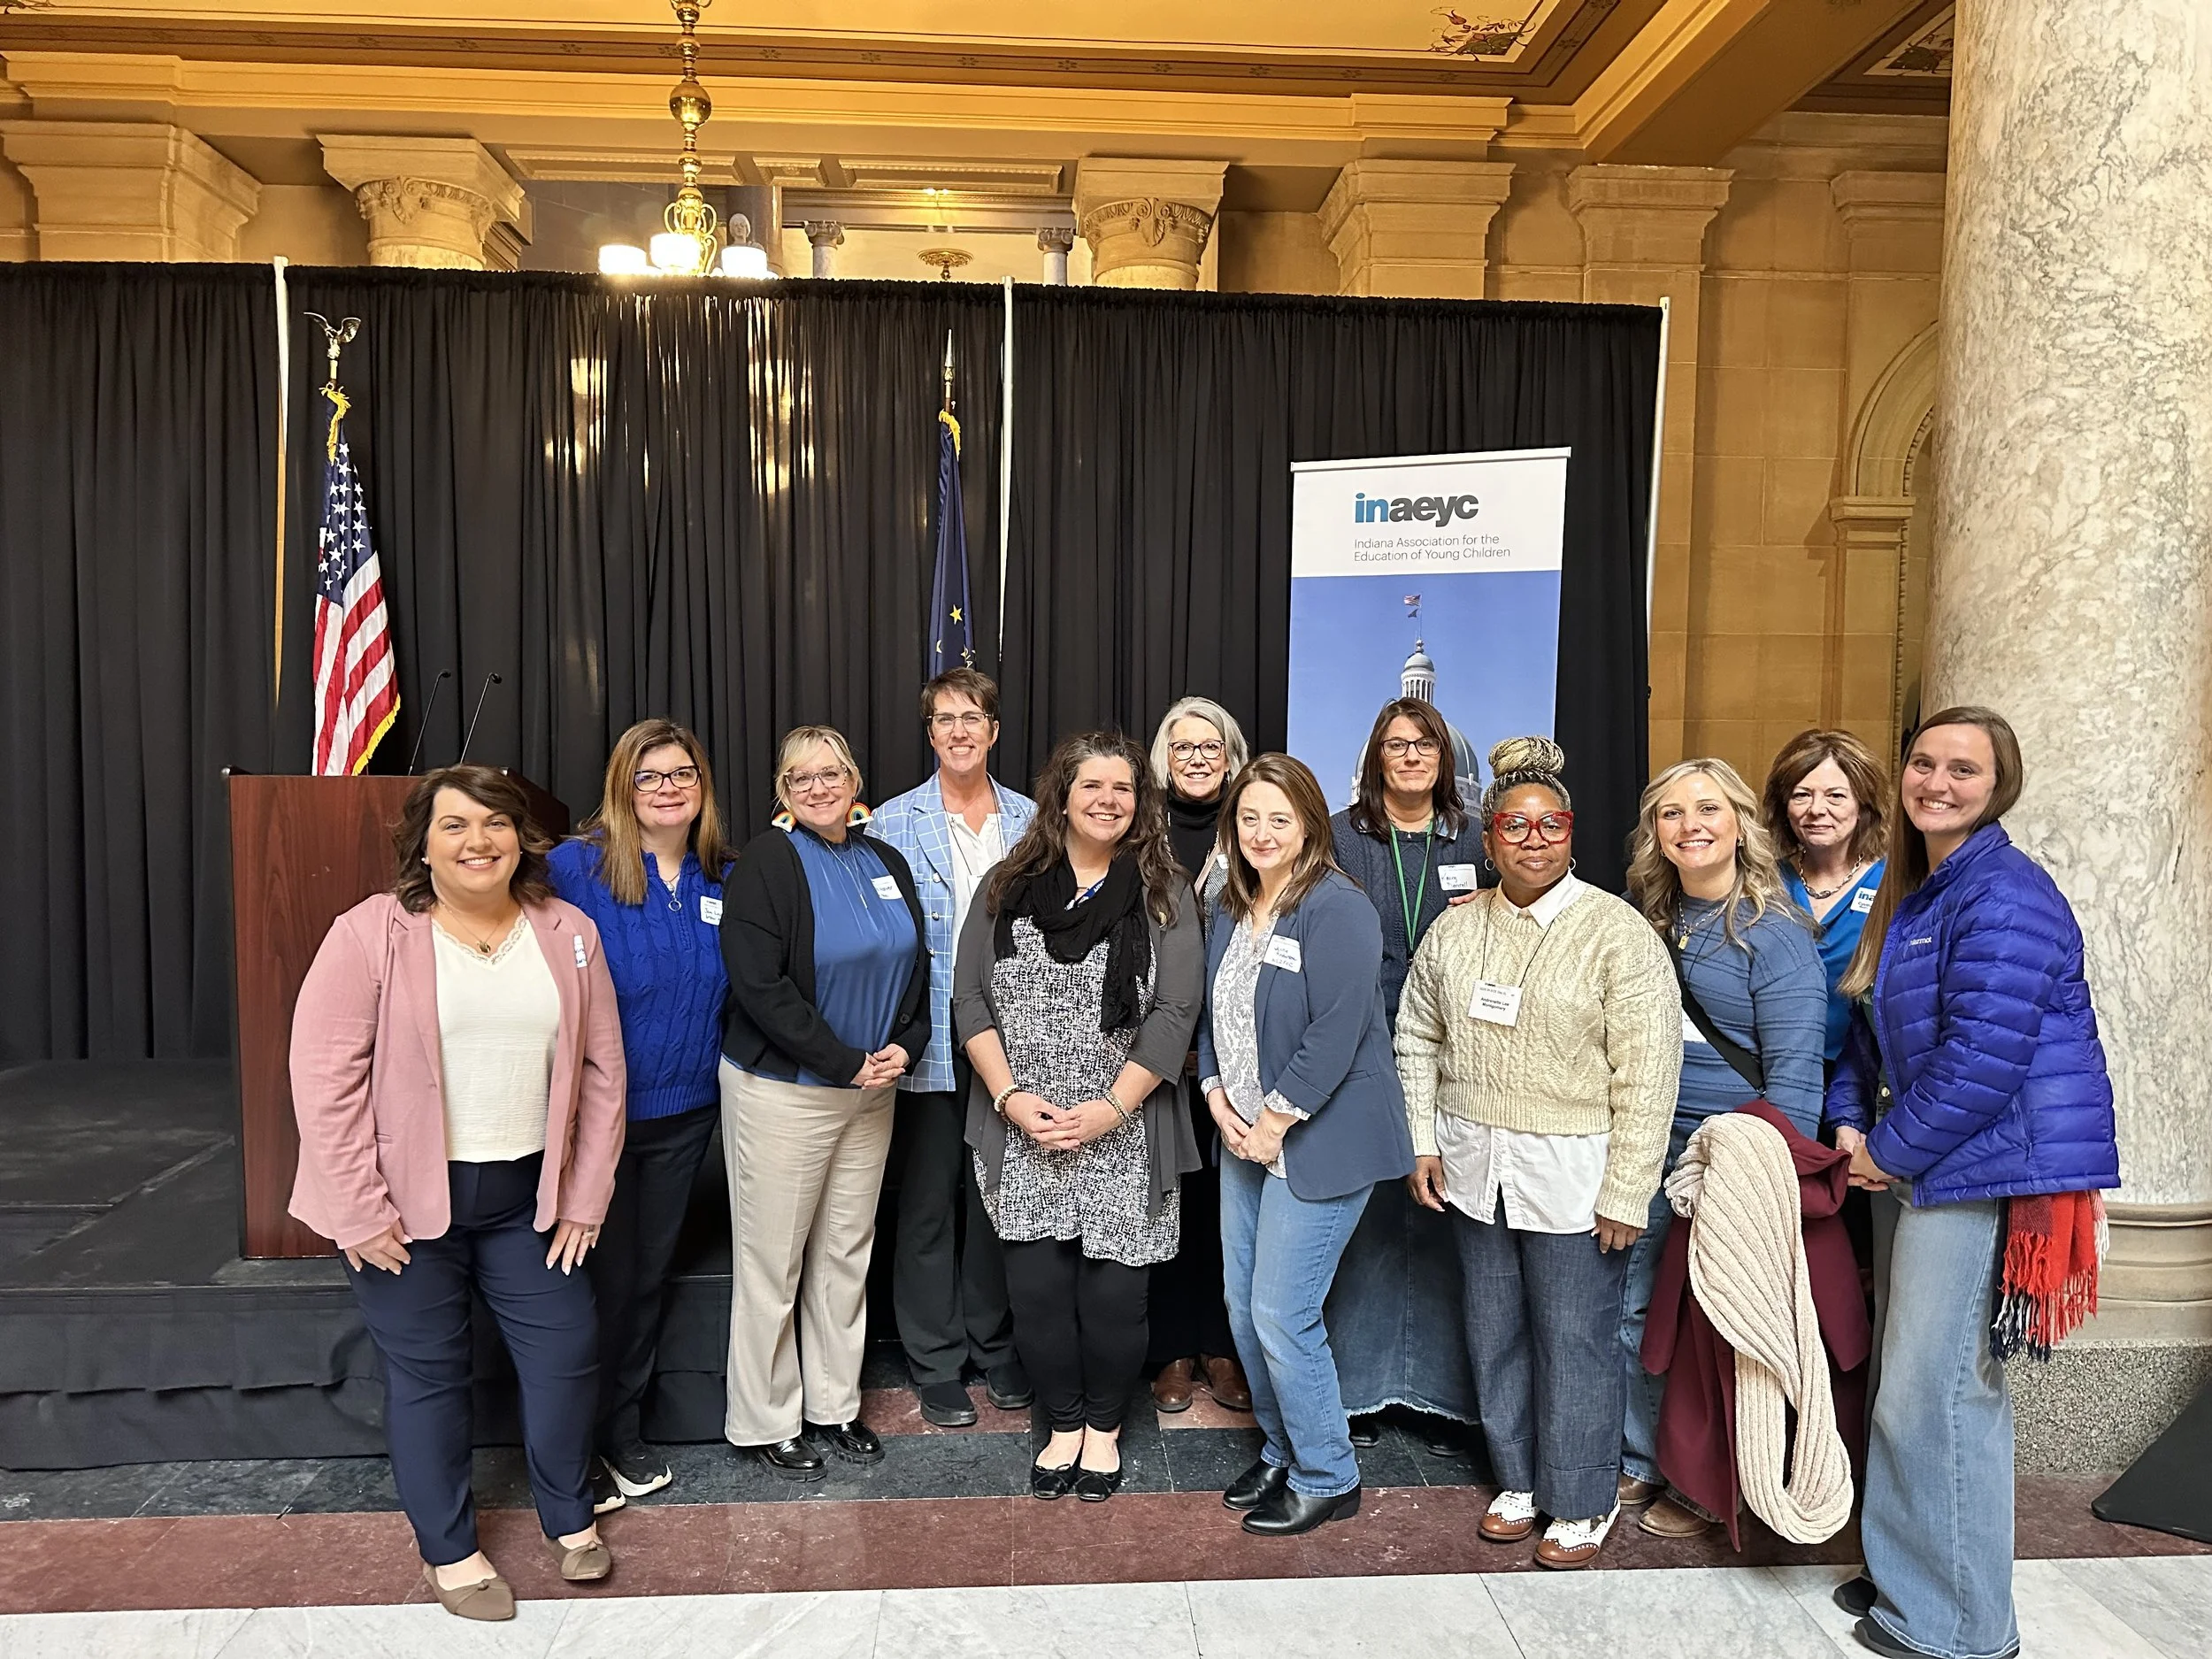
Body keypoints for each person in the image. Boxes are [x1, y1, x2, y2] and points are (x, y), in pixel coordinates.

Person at [289, 766, 626, 1621]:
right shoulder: (371, 932)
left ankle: (567, 1514)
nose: (479, 841)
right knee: (429, 1378)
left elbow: (602, 1073)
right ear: (423, 844)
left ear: (522, 837)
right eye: (455, 825)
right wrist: (360, 1208)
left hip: (528, 1200)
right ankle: (450, 1549)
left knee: (565, 1352)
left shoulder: (569, 930)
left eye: (495, 823)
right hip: (401, 1207)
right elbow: (322, 1081)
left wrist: (586, 1195)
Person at [1826, 707, 2118, 1659]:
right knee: (1907, 1389)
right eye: (1923, 762)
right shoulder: (1921, 892)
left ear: (1999, 786)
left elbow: (1982, 1063)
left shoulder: (2004, 896)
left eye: (1962, 768)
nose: (1936, 781)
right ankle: (1914, 1572)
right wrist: (1849, 1117)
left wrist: (1886, 1152)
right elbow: (1865, 1031)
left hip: (1982, 1172)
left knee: (1940, 1394)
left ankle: (1956, 1627)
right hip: (1927, 1160)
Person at [1397, 737, 1681, 1568]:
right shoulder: (1455, 934)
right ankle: (1519, 1481)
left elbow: (1650, 1071)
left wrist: (1630, 1189)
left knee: (1576, 1337)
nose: (1531, 838)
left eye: (1548, 823)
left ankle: (1584, 1498)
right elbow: (1416, 1035)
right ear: (1487, 842)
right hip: (1475, 1170)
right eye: (1512, 826)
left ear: (1572, 835)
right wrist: (1423, 1139)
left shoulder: (1617, 934)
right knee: (1494, 1333)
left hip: (1577, 1178)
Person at [954, 731, 1203, 1502]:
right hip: (1022, 1127)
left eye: (1122, 789)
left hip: (1124, 1129)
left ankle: (1103, 1427)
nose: (1107, 800)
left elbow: (1176, 1010)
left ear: (1139, 803)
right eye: (1091, 785)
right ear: (1061, 795)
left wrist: (1109, 1108)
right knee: (1035, 1296)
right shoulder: (1005, 884)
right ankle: (1061, 1424)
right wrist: (1008, 1097)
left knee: (1112, 1300)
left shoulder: (1165, 890)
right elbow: (970, 998)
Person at [1201, 754, 1415, 1537]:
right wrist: (1215, 1093)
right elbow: (1211, 1015)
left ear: (1309, 825)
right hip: (1242, 1131)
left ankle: (1328, 1472)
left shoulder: (1338, 907)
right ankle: (1283, 1447)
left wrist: (1273, 1120)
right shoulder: (1230, 905)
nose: (1262, 833)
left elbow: (1339, 1031)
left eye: (1278, 819)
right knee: (1242, 1303)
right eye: (1248, 818)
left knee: (1283, 1310)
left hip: (1317, 1137)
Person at [1620, 757, 1828, 1536]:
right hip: (1648, 1145)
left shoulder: (1774, 935)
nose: (1690, 825)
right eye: (1671, 813)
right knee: (1638, 1310)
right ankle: (1643, 1457)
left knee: (1720, 1324)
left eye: (1708, 808)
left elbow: (1798, 1083)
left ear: (1740, 821)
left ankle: (1713, 1484)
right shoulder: (1649, 918)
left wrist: (1765, 1188)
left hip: (1735, 1158)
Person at [718, 726, 930, 1479]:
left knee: (845, 1253)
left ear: (854, 777)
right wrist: (844, 1061)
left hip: (872, 1091)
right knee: (773, 1260)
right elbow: (760, 986)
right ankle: (766, 1418)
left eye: (831, 772)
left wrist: (908, 1041)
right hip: (787, 1092)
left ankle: (835, 1407)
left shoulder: (885, 858)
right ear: (782, 788)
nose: (817, 786)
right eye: (799, 776)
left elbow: (917, 966)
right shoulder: (766, 864)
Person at [547, 719, 732, 1511]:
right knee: (588, 1288)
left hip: (687, 1114)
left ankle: (619, 1434)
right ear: (623, 784)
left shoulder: (721, 873)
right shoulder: (574, 867)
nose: (667, 787)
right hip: (597, 1122)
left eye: (682, 772)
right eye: (649, 775)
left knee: (642, 1283)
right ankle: (569, 1447)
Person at [871, 668, 1037, 1426]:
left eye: (973, 717)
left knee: (998, 1202)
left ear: (994, 730)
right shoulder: (891, 823)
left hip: (1014, 1047)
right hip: (931, 1046)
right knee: (931, 1207)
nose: (959, 731)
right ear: (929, 732)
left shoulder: (1036, 822)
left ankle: (994, 1347)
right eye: (945, 719)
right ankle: (935, 1360)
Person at [1325, 697, 1488, 1447]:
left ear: (1444, 757)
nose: (1412, 755)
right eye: (1396, 744)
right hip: (1360, 1051)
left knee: (1443, 1216)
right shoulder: (1338, 837)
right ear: (1375, 757)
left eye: (1424, 743)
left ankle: (1446, 1397)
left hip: (1460, 1057)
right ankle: (1356, 1392)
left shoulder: (1480, 837)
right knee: (1366, 1225)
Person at [1143, 696, 1254, 1413]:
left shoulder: (1251, 820)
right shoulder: (1139, 826)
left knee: (1226, 1202)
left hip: (1238, 1047)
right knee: (1163, 1199)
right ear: (1164, 756)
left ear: (1231, 752)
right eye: (1182, 746)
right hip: (1154, 1047)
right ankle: (1171, 1347)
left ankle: (1221, 1345)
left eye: (1209, 745)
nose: (1196, 758)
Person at [1762, 729, 1888, 1064]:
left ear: (1863, 805)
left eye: (1835, 796)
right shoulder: (1762, 882)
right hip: (1773, 1068)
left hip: (1862, 1072)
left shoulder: (1894, 886)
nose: (1816, 810)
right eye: (1801, 795)